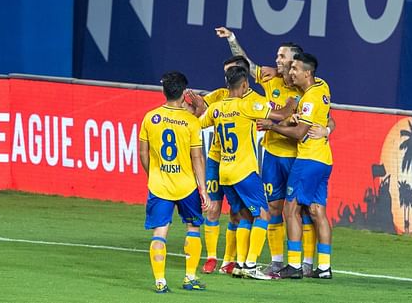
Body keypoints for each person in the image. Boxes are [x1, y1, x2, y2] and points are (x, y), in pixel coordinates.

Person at [216, 26, 335, 276]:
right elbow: (247, 65)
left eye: (283, 57)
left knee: (304, 211)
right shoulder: (271, 79)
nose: (277, 61)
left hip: (296, 155)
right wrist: (232, 39)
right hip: (272, 154)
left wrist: (326, 130)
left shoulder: (311, 88)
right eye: (278, 57)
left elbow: (328, 117)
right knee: (274, 208)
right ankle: (278, 261)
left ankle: (306, 263)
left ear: (296, 62)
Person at [200, 66, 296, 280]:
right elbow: (281, 115)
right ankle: (251, 265)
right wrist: (293, 101)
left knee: (244, 214)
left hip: (224, 171)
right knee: (263, 213)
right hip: (244, 172)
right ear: (244, 85)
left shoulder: (217, 108)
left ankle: (240, 263)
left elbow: (198, 121)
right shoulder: (247, 105)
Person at [257, 53, 334, 279]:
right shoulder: (323, 86)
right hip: (325, 159)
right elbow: (325, 119)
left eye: (295, 69)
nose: (291, 73)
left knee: (290, 210)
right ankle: (324, 267)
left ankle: (293, 265)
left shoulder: (309, 99)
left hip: (308, 159)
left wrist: (272, 126)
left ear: (307, 73)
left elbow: (300, 134)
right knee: (317, 211)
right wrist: (326, 130)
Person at [139, 71, 211, 293]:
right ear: (183, 94)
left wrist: (153, 175)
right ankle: (190, 277)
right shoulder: (190, 122)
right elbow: (197, 157)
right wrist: (204, 190)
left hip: (159, 185)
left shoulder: (150, 117)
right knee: (193, 227)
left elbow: (143, 152)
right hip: (186, 184)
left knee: (160, 232)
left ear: (164, 91)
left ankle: (160, 281)